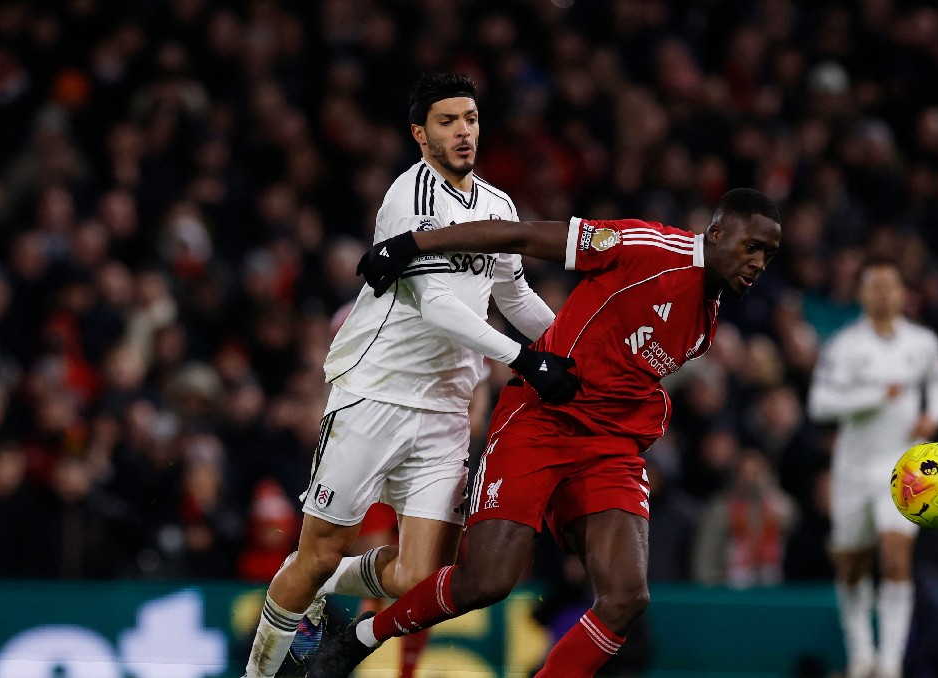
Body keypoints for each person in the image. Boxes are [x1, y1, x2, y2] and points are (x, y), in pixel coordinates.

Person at [304, 188, 783, 678]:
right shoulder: (649, 248)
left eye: (769, 254)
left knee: (626, 597)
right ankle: (363, 636)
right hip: (542, 421)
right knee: (487, 580)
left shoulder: (708, 316)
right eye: (752, 247)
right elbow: (524, 235)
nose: (759, 262)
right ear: (717, 232)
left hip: (610, 447)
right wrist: (413, 244)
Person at [242, 72, 579, 678]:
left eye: (471, 119)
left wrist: (573, 348)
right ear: (420, 134)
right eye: (448, 121)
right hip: (376, 392)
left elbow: (515, 292)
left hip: (448, 408)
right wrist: (526, 360)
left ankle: (311, 585)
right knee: (317, 553)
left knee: (421, 578)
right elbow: (436, 305)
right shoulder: (408, 199)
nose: (463, 132)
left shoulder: (499, 205)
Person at [806, 257, 938, 678]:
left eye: (891, 286)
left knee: (895, 557)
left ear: (902, 293)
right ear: (862, 294)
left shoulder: (923, 343)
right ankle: (861, 656)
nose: (884, 293)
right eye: (875, 286)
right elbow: (820, 403)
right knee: (851, 566)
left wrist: (934, 415)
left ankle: (890, 663)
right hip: (853, 469)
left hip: (904, 467)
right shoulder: (845, 346)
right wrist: (874, 396)